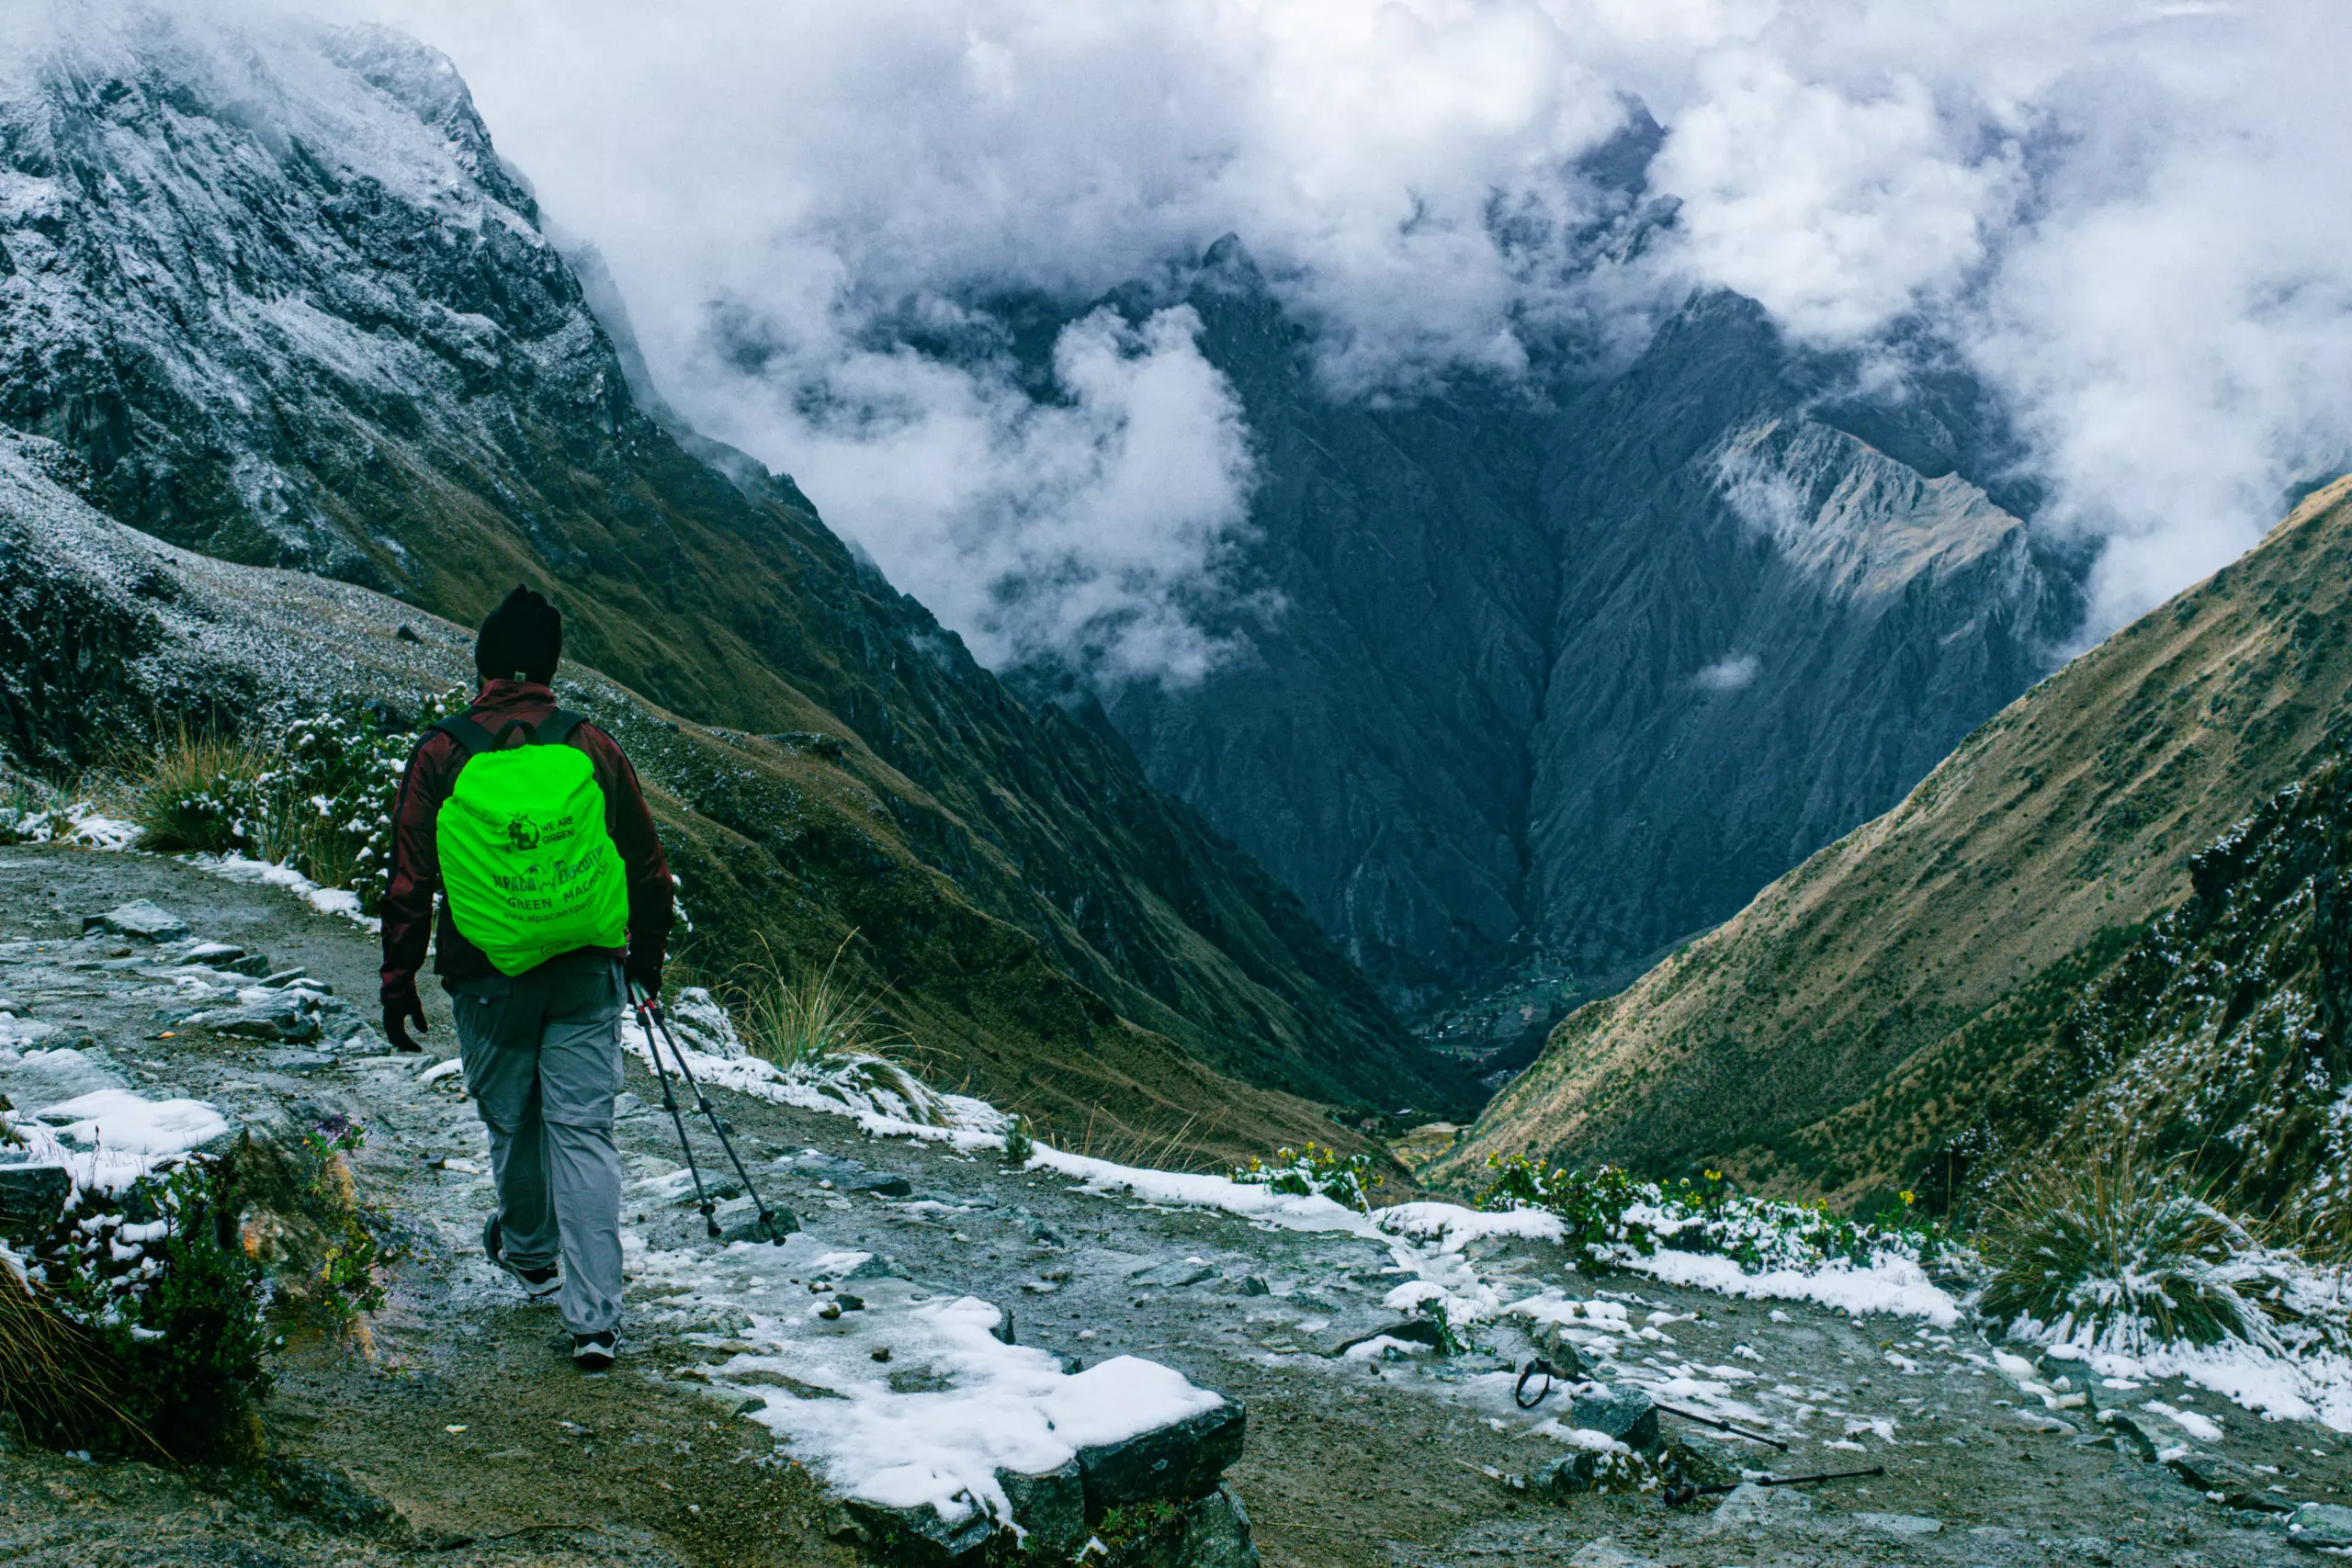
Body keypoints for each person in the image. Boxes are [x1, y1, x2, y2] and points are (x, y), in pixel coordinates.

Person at [379, 585, 673, 1370]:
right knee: (583, 1132)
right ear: (550, 668)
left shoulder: (441, 753)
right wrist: (642, 962)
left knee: (513, 1121)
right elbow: (648, 868)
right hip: (586, 971)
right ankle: (595, 1319)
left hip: (485, 978)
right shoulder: (591, 745)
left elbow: (411, 878)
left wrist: (398, 977)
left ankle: (533, 1254)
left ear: (482, 667)